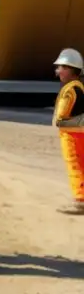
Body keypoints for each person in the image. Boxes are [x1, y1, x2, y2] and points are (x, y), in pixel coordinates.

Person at [52, 49, 84, 214]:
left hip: (71, 136)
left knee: (75, 165)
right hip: (79, 134)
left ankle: (80, 201)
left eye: (61, 67)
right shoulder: (79, 87)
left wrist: (58, 122)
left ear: (71, 69)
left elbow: (61, 118)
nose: (58, 71)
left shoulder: (70, 90)